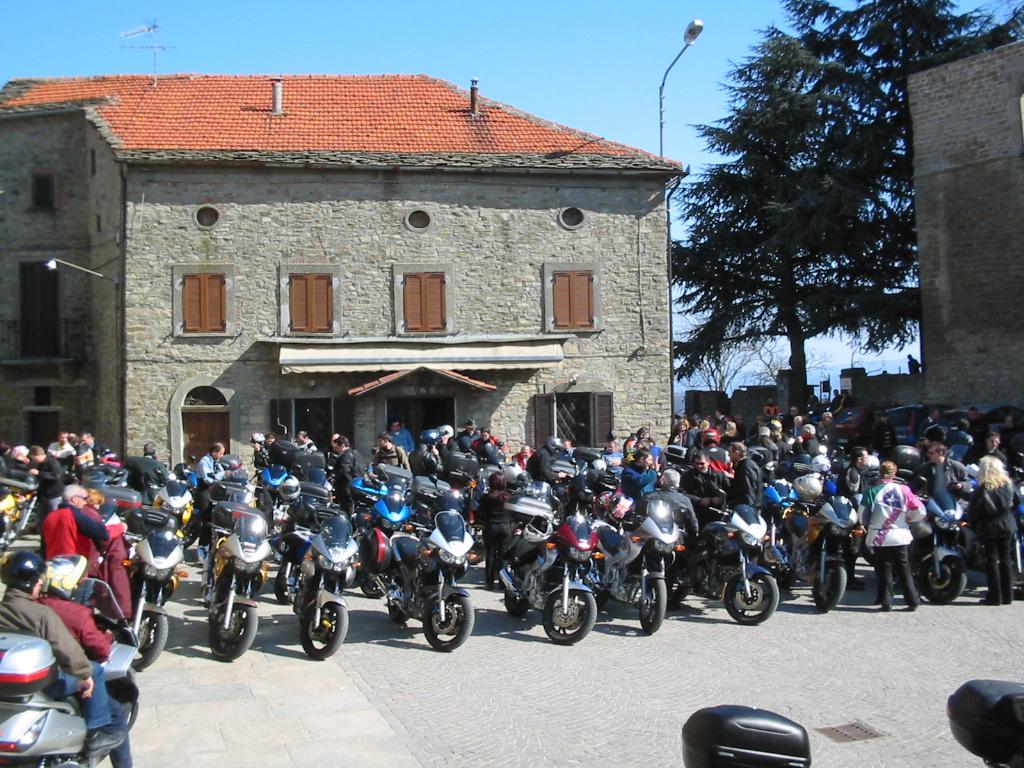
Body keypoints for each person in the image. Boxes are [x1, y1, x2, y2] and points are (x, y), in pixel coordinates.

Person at [0, 551, 125, 757]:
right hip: (45, 684)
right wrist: (84, 674)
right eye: (39, 581)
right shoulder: (41, 614)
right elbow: (67, 649)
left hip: (8, 682)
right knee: (94, 671)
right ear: (31, 584)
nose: (41, 584)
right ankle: (96, 732)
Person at [41, 555, 133, 767]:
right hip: (62, 678)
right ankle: (100, 738)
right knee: (116, 715)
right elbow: (100, 648)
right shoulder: (76, 613)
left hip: (40, 678)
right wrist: (108, 638)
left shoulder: (33, 605)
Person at [860, 461, 924, 611]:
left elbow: (863, 514)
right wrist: (909, 518)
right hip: (900, 535)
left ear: (880, 473)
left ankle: (886, 602)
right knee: (904, 569)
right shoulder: (904, 490)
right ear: (894, 474)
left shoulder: (872, 491)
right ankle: (913, 601)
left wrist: (867, 525)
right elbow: (920, 510)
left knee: (884, 569)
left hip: (880, 536)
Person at [967, 456, 1020, 605]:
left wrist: (974, 525)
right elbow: (1017, 502)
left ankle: (995, 596)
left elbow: (974, 511)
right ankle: (1007, 595)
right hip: (1007, 524)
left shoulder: (982, 489)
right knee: (1006, 559)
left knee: (991, 560)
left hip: (989, 526)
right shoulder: (1009, 485)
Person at [41, 484, 110, 561]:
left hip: (54, 562)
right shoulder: (75, 515)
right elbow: (103, 534)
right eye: (85, 498)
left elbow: (44, 547)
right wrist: (99, 519)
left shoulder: (50, 516)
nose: (85, 502)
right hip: (73, 563)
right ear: (75, 499)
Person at [475, 473, 513, 590]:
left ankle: (489, 583)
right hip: (506, 527)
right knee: (503, 555)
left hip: (491, 526)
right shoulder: (509, 497)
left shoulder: (487, 498)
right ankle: (503, 582)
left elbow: (480, 512)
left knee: (490, 555)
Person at [915, 441, 968, 518]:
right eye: (928, 453)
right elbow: (916, 483)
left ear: (941, 453)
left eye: (931, 453)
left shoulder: (957, 467)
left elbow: (967, 483)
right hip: (932, 504)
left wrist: (961, 485)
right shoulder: (924, 468)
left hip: (953, 502)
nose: (928, 455)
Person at [195, 442, 226, 559]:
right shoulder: (204, 462)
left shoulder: (215, 462)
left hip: (213, 493)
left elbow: (222, 472)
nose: (222, 456)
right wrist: (217, 476)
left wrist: (217, 475)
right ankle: (202, 550)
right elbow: (207, 479)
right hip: (204, 492)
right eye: (221, 453)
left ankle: (213, 548)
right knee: (207, 522)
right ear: (214, 452)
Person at [681, 450, 728, 528]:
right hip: (697, 512)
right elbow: (682, 493)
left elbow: (729, 491)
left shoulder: (719, 476)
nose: (699, 466)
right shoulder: (688, 475)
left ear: (708, 462)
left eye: (702, 463)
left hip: (716, 513)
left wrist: (720, 499)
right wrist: (699, 501)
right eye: (697, 464)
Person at [725, 442, 761, 514]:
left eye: (730, 452)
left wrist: (748, 510)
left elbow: (749, 490)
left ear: (737, 452)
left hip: (748, 509)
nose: (729, 455)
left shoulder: (746, 467)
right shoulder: (742, 466)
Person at [28, 444, 65, 514]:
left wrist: (39, 473)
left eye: (33, 458)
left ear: (37, 455)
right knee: (40, 516)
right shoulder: (40, 464)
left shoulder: (52, 462)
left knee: (54, 516)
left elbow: (56, 476)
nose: (33, 460)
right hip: (43, 495)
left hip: (54, 495)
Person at [331, 436, 360, 512]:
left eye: (337, 446)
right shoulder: (355, 453)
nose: (336, 449)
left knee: (346, 509)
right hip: (353, 487)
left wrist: (349, 484)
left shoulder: (346, 455)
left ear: (342, 445)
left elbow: (344, 471)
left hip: (345, 488)